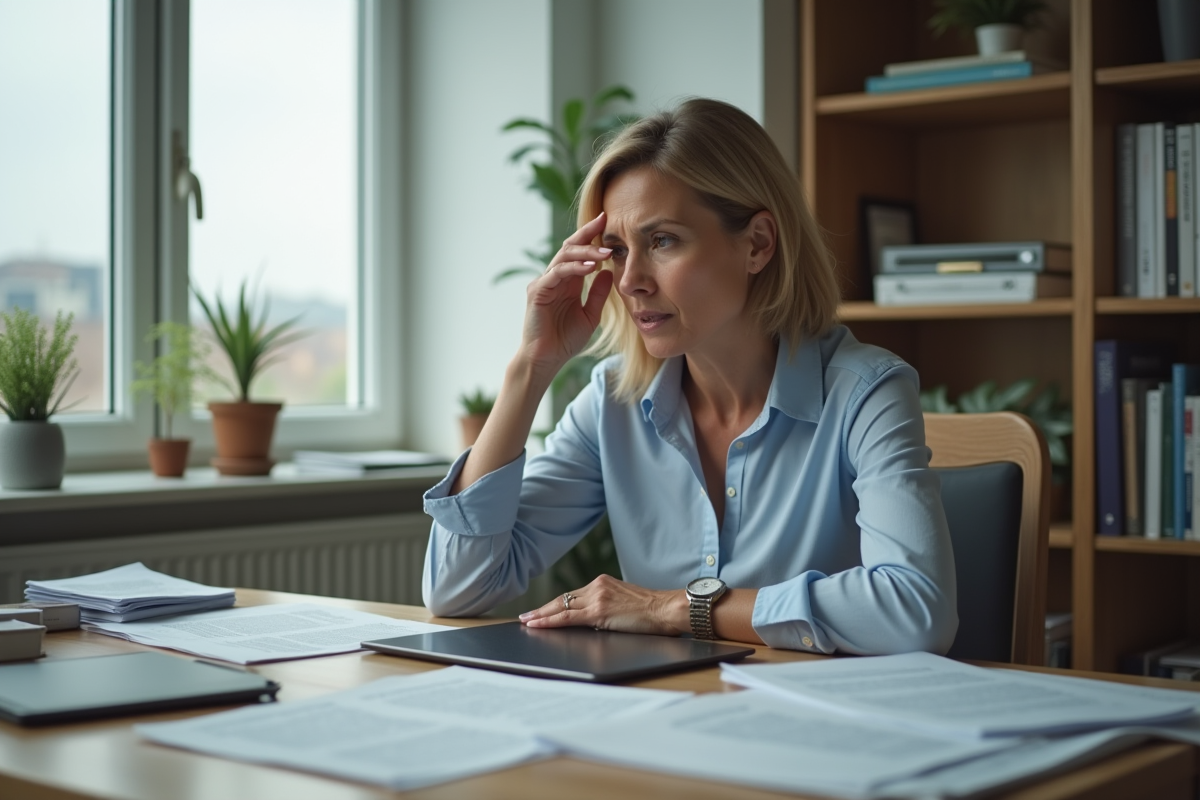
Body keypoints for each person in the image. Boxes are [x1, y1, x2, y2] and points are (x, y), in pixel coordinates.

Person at [422, 98, 957, 655]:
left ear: (757, 245)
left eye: (662, 241)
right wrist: (531, 368)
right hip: (669, 716)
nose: (630, 281)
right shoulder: (612, 401)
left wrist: (673, 607)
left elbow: (915, 611)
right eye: (615, 249)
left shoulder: (866, 392)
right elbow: (456, 589)